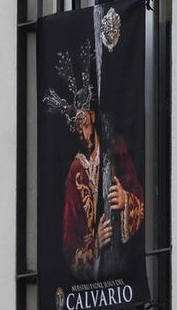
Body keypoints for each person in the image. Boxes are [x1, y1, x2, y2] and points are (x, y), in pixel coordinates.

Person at [61, 104, 145, 280]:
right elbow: (69, 243)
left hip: (120, 264)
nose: (84, 135)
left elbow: (141, 200)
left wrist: (126, 200)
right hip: (96, 274)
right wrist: (95, 244)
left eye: (84, 124)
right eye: (78, 130)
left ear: (92, 116)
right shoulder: (75, 170)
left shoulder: (114, 147)